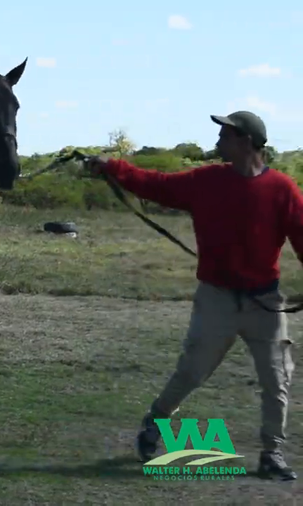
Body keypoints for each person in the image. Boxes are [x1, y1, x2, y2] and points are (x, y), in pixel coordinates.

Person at [86, 110, 302, 481]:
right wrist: (112, 167)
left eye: (226, 135)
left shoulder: (281, 189)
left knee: (276, 379)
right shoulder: (206, 181)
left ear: (247, 142)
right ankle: (156, 422)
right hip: (216, 298)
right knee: (191, 372)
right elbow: (154, 184)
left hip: (264, 303)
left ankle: (272, 453)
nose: (218, 142)